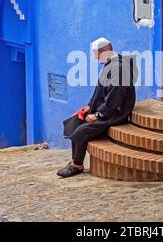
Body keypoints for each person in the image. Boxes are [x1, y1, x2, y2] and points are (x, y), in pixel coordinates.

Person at [57, 38, 137, 178]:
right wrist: (89, 107)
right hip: (107, 109)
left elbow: (115, 98)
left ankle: (77, 165)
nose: (95, 57)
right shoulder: (111, 63)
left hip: (115, 114)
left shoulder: (118, 68)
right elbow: (100, 91)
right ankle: (75, 161)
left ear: (105, 51)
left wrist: (98, 115)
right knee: (76, 120)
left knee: (81, 131)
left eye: (96, 54)